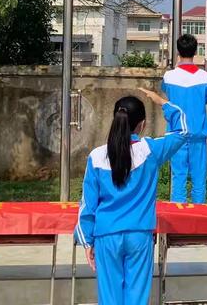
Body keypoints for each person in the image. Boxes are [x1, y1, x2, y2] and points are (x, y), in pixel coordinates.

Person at [75, 88, 190, 305]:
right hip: (139, 236)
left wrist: (87, 241)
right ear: (142, 125)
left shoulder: (96, 156)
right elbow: (183, 130)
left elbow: (87, 205)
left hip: (106, 236)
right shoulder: (151, 150)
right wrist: (163, 102)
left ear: (115, 119)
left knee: (109, 299)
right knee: (136, 298)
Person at [161, 34, 207, 203]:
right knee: (199, 180)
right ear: (195, 51)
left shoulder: (168, 76)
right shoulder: (205, 77)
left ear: (178, 51)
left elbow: (166, 94)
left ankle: (178, 219)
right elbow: (206, 99)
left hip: (177, 134)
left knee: (179, 179)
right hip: (198, 133)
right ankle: (200, 220)